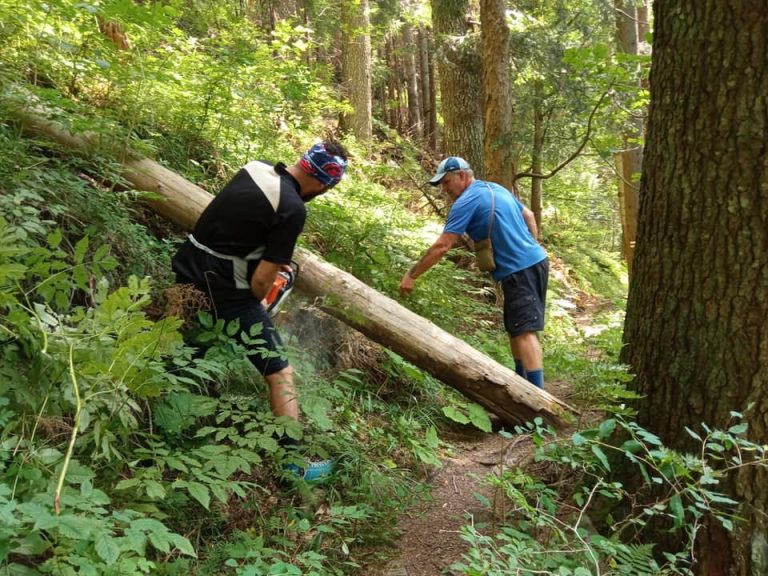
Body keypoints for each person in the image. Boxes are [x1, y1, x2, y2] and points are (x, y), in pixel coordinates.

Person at [171, 140, 348, 476]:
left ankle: (166, 424)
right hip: (225, 288)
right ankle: (292, 467)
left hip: (187, 265)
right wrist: (260, 307)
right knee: (280, 373)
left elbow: (233, 229)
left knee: (186, 349)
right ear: (325, 184)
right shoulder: (293, 208)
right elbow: (259, 284)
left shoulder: (255, 168)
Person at [399, 157, 549, 389]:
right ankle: (523, 388)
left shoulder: (466, 201)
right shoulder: (495, 188)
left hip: (521, 270)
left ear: (462, 175)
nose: (445, 189)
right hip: (532, 264)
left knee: (524, 332)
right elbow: (528, 215)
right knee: (516, 329)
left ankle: (538, 405)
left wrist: (412, 275)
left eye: (447, 182)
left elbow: (442, 246)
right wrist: (531, 245)